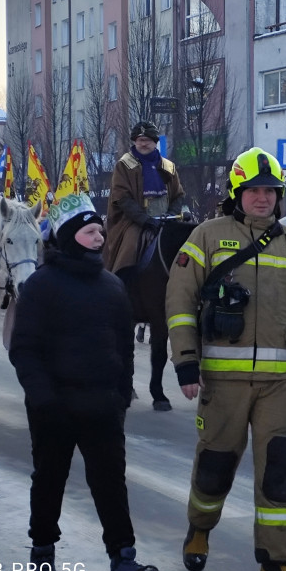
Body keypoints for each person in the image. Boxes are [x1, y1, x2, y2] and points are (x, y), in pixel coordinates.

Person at [166, 147, 286, 571]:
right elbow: (179, 302)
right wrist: (186, 362)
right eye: (254, 191)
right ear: (237, 194)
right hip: (223, 382)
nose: (262, 199)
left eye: (270, 192)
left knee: (281, 471)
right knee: (214, 466)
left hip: (281, 386)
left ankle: (276, 565)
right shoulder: (207, 235)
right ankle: (199, 531)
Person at [8, 193, 159, 571]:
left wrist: (122, 393)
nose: (99, 239)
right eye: (91, 232)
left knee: (111, 483)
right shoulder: (42, 286)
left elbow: (125, 347)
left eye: (101, 232)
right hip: (53, 408)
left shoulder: (111, 287)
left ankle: (123, 563)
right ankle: (42, 553)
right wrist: (42, 398)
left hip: (103, 408)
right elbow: (23, 349)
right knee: (49, 480)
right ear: (72, 235)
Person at [104, 120, 185, 410]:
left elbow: (178, 196)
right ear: (134, 142)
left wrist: (173, 215)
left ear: (155, 142)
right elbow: (122, 199)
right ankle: (119, 286)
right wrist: (144, 219)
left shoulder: (168, 165)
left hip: (165, 219)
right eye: (139, 140)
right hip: (134, 221)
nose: (143, 143)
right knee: (129, 247)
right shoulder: (124, 165)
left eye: (148, 140)